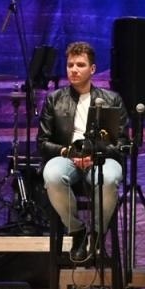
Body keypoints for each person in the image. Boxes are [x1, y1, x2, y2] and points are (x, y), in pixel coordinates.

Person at [38, 42, 129, 262]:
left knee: (108, 178)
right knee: (51, 174)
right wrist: (68, 152)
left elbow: (122, 143)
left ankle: (96, 235)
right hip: (67, 156)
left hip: (102, 157)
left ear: (93, 69)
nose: (74, 70)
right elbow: (42, 142)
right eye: (70, 65)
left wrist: (97, 155)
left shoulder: (111, 99)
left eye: (80, 65)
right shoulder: (55, 99)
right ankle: (77, 231)